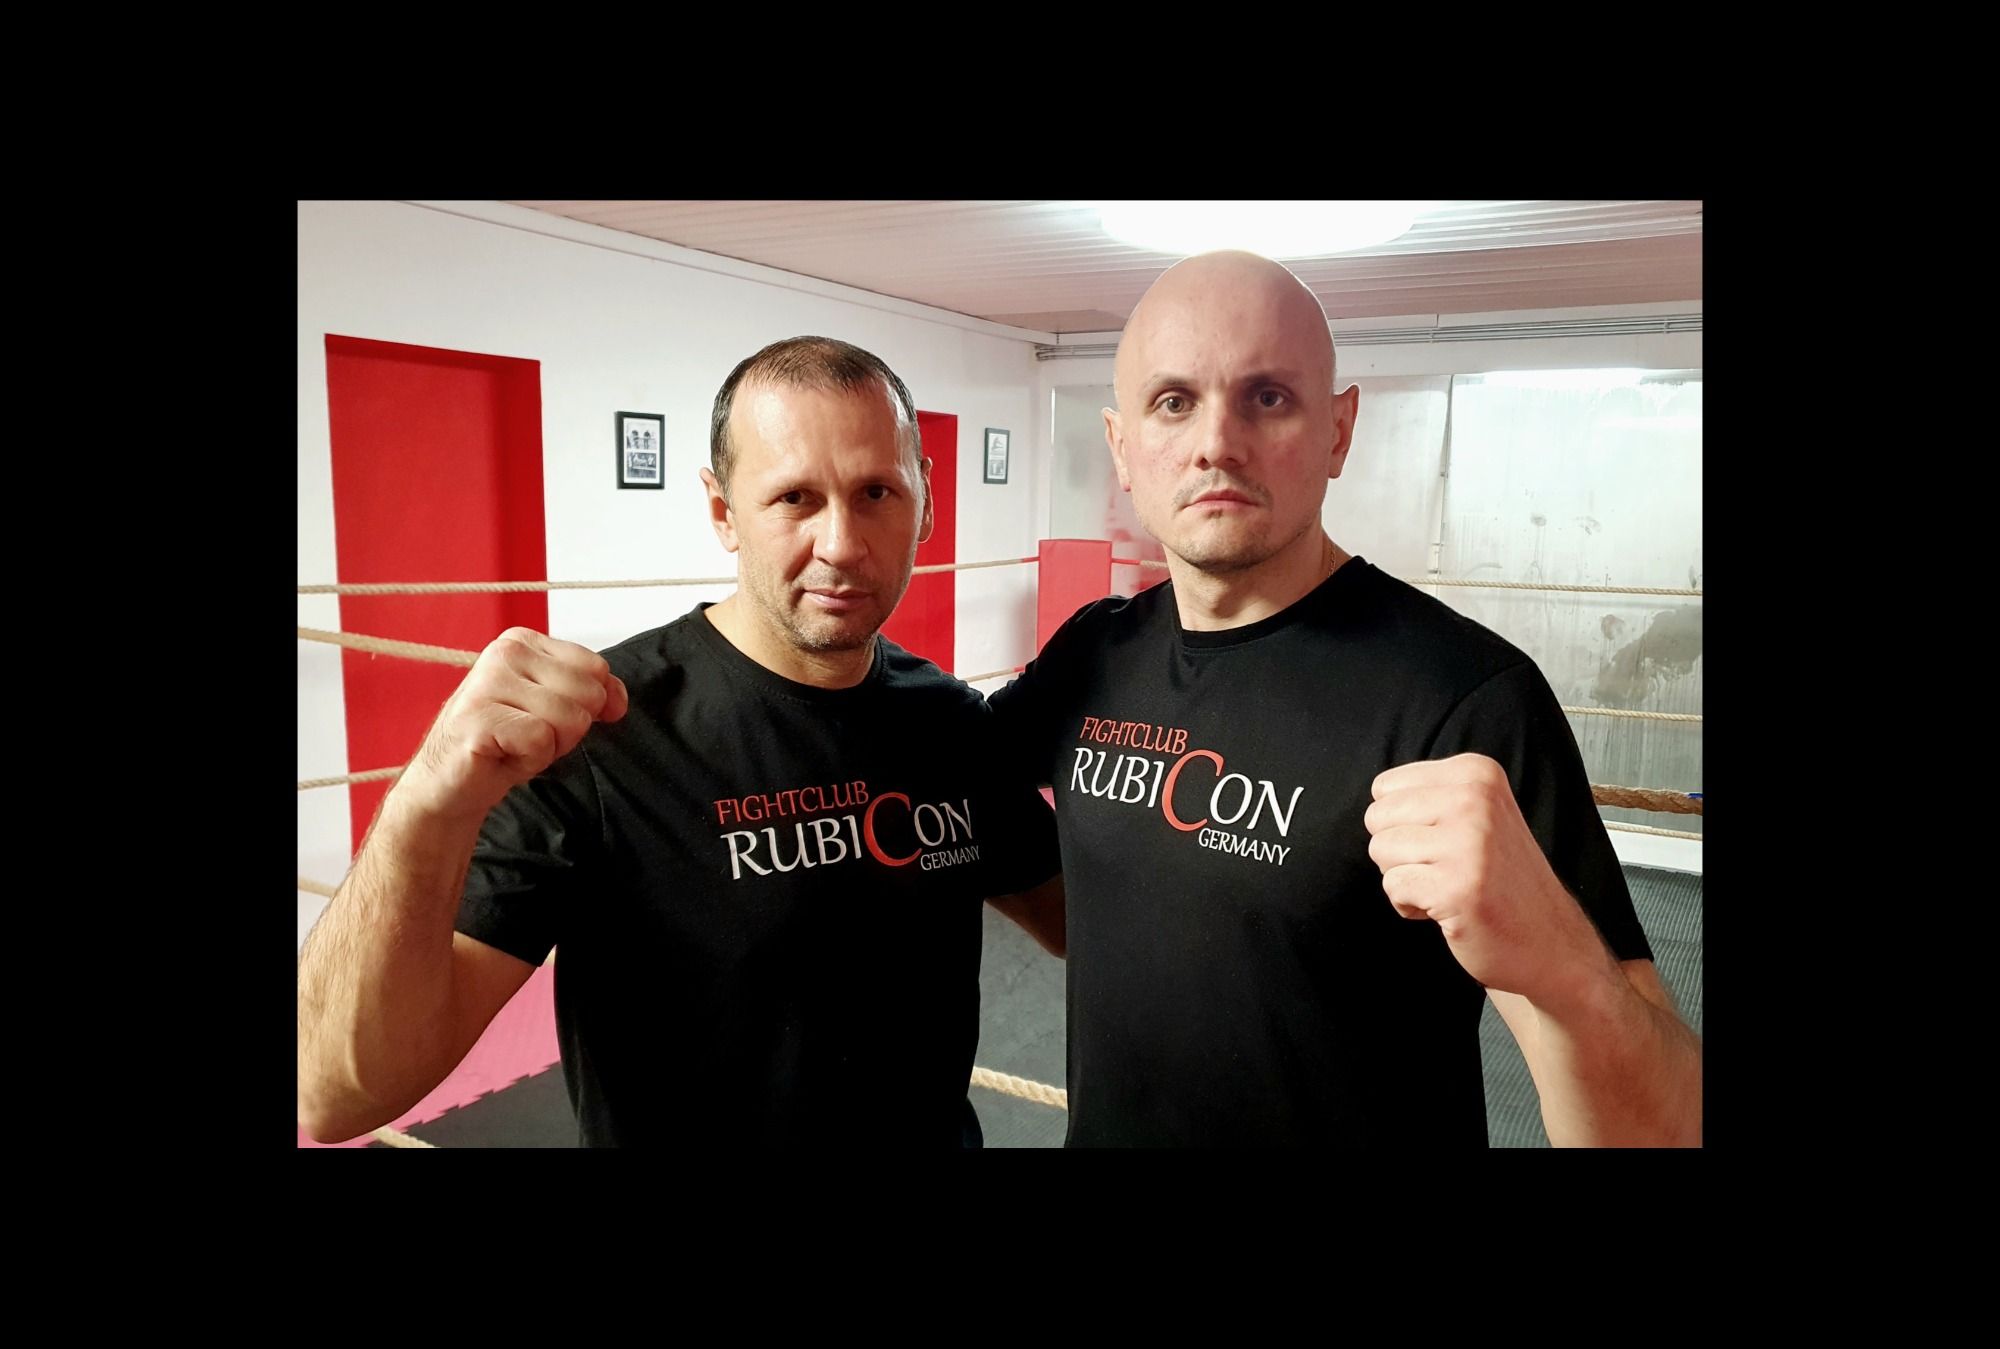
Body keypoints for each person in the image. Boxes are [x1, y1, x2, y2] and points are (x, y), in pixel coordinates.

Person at [987, 252, 1700, 1147]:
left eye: (1268, 397)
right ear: (1122, 447)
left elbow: (1663, 1128)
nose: (1217, 442)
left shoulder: (1467, 699)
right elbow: (948, 774)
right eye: (1174, 401)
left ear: (1338, 429)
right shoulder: (1093, 653)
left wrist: (1564, 962)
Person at [298, 336, 1065, 1148]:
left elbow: (1087, 921)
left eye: (876, 491)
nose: (841, 543)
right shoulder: (604, 736)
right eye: (795, 498)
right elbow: (332, 1094)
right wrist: (426, 801)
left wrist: (1139, 684)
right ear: (723, 511)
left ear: (925, 499)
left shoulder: (948, 722)